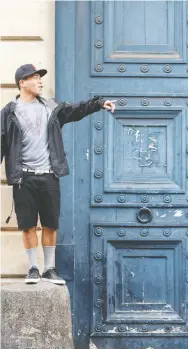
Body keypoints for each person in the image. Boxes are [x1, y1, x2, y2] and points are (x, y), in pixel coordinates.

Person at [1, 64, 116, 285]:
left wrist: (99, 103)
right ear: (21, 82)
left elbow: (77, 109)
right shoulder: (8, 113)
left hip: (49, 175)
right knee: (27, 225)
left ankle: (49, 269)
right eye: (34, 78)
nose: (40, 81)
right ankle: (33, 268)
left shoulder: (50, 107)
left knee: (50, 223)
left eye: (40, 78)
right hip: (23, 178)